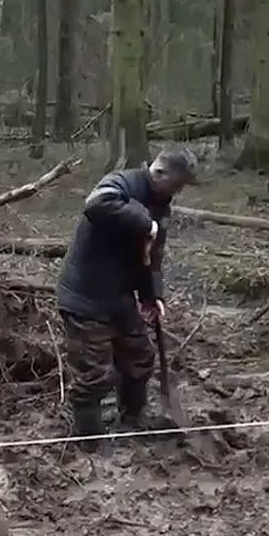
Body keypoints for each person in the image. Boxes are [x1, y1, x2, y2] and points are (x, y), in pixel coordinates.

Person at [56, 147, 198, 437]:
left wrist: (152, 295)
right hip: (85, 297)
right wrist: (146, 223)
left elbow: (152, 257)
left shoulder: (162, 204)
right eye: (176, 184)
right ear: (159, 172)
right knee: (93, 374)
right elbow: (96, 204)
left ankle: (133, 417)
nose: (178, 192)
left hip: (120, 297)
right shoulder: (123, 182)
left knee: (139, 359)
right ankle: (90, 438)